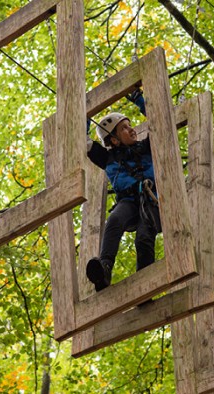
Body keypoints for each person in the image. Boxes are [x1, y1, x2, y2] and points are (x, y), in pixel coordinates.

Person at [85, 91, 160, 292]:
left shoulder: (146, 147)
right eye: (124, 129)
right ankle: (105, 268)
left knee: (144, 237)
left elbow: (161, 121)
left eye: (130, 125)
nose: (132, 129)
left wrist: (140, 100)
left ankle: (145, 286)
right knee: (115, 220)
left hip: (152, 200)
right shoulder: (106, 158)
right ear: (114, 140)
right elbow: (83, 142)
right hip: (128, 201)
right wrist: (83, 115)